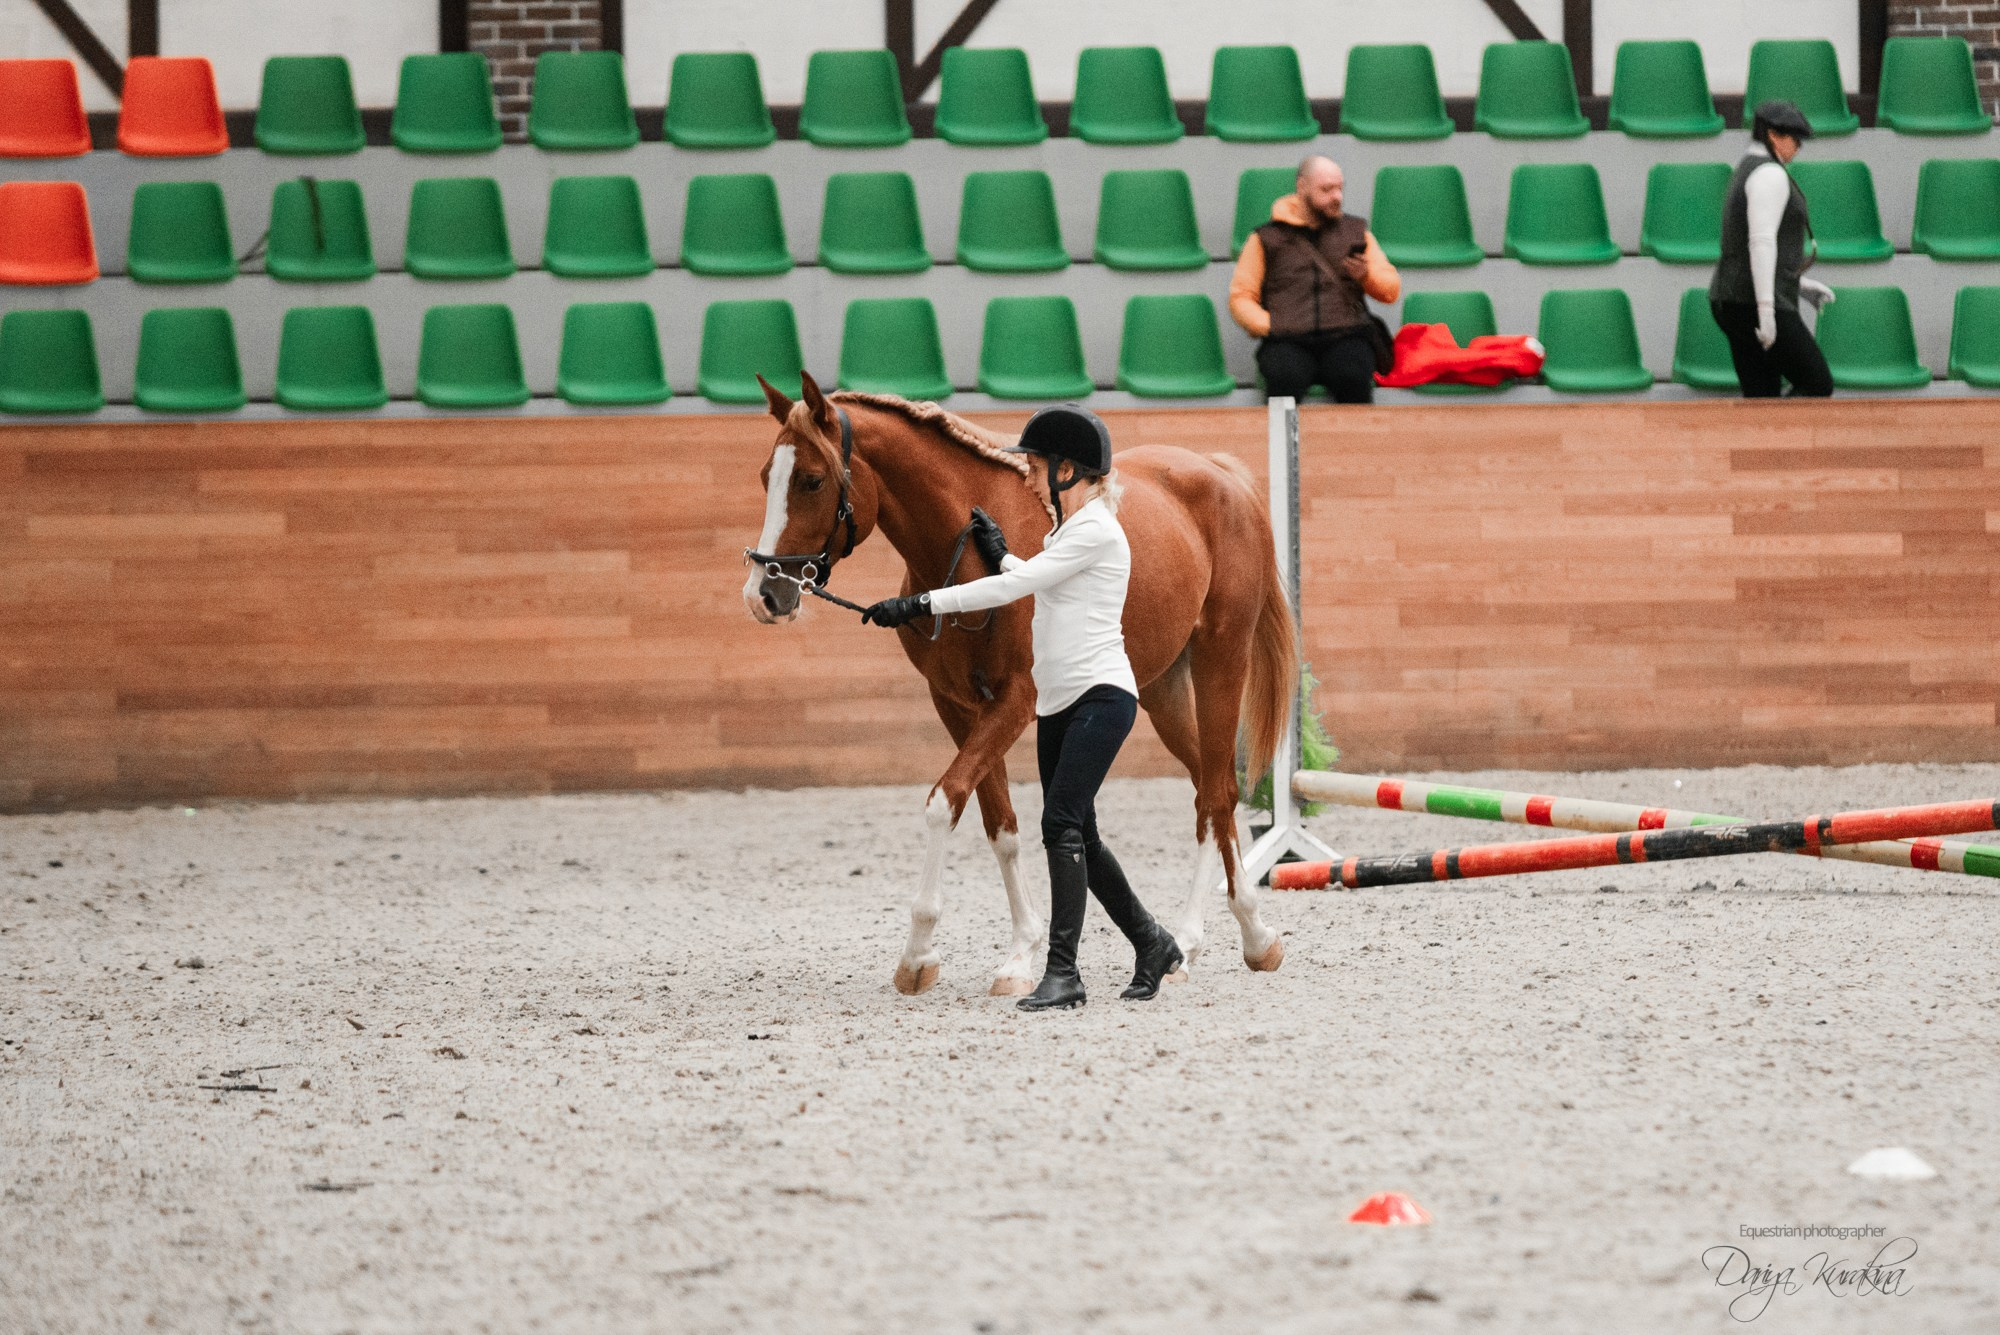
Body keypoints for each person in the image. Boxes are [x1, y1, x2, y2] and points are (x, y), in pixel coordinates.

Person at [859, 406, 1182, 1012]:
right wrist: (1002, 550)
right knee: (1079, 831)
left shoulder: (1096, 529)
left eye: (1035, 467)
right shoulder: (1068, 532)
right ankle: (1153, 942)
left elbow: (1013, 588)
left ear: (1067, 470)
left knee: (1059, 826)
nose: (1028, 479)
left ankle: (1063, 973)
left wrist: (919, 603)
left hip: (1101, 698)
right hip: (1060, 702)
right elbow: (1032, 574)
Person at [1229, 154, 1401, 404]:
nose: (1337, 197)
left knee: (1353, 376)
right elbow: (1241, 296)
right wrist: (1270, 325)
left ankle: (1354, 444)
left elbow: (1391, 290)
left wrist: (1366, 277)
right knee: (1283, 377)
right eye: (1327, 189)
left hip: (1345, 334)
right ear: (1302, 187)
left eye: (1340, 188)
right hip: (1287, 339)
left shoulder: (1356, 232)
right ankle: (1284, 444)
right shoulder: (1266, 238)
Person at [1708, 99, 1836, 398]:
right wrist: (1766, 312)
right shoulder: (1769, 174)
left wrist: (1797, 283)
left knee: (1762, 395)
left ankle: (1765, 442)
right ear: (1774, 135)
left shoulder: (1746, 167)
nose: (1798, 147)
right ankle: (1787, 442)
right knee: (1816, 383)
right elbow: (1761, 243)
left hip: (1731, 299)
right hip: (1753, 302)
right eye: (1795, 139)